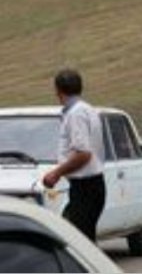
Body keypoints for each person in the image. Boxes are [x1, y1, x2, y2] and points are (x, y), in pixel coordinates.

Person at [42, 69, 106, 242]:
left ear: (58, 91)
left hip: (85, 187)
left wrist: (56, 173)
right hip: (93, 184)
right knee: (87, 239)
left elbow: (83, 154)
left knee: (81, 241)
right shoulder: (88, 109)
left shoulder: (76, 114)